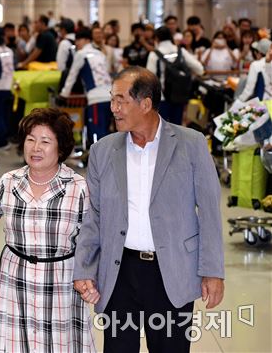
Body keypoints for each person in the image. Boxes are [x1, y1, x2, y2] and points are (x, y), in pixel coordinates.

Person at [73, 66, 225, 353]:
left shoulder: (191, 144)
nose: (113, 108)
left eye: (121, 100)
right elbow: (94, 215)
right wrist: (84, 267)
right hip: (119, 272)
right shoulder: (103, 151)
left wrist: (213, 271)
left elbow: (209, 212)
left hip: (172, 270)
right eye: (112, 100)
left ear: (145, 104)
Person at [0, 108, 96, 352]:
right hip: (14, 280)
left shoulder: (78, 187)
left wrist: (91, 277)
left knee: (60, 345)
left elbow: (92, 240)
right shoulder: (8, 182)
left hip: (61, 282)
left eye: (45, 141)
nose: (36, 148)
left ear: (60, 148)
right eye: (30, 139)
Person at [61, 28, 113, 144]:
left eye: (78, 41)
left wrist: (64, 94)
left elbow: (72, 76)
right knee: (107, 131)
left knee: (96, 133)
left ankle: (99, 160)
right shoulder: (100, 54)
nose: (76, 44)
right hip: (111, 96)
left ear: (85, 40)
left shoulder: (81, 54)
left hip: (96, 98)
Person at [146, 26, 204, 125]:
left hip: (162, 97)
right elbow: (200, 69)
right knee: (176, 128)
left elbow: (148, 79)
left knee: (161, 129)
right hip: (179, 95)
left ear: (157, 38)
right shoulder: (180, 51)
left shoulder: (154, 55)